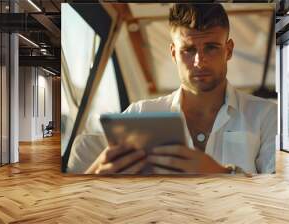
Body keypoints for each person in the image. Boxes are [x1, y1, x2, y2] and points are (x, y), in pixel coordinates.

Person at [82, 3, 277, 175]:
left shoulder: (266, 115)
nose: (200, 62)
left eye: (211, 47)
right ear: (174, 53)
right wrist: (97, 173)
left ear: (229, 50)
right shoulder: (140, 113)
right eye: (188, 50)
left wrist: (221, 173)